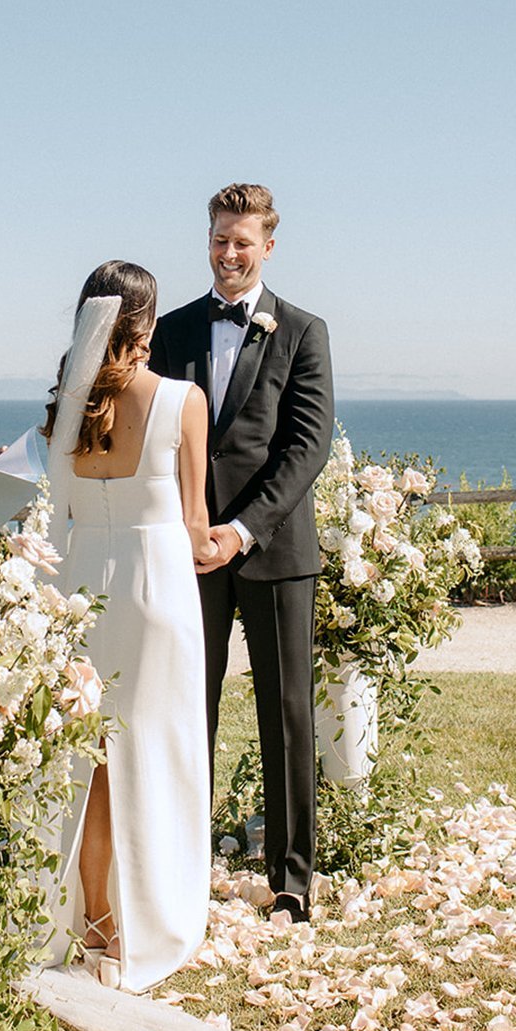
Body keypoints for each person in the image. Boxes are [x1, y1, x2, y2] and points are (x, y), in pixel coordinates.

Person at [151, 184, 334, 922]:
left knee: (286, 714)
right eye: (218, 239)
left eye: (242, 242)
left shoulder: (303, 330)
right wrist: (194, 527)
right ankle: (178, 865)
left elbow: (305, 445)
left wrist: (242, 528)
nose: (228, 253)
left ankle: (291, 877)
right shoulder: (170, 329)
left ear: (268, 245)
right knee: (186, 707)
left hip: (275, 550)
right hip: (186, 551)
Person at [44, 262, 213, 992]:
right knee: (155, 749)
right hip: (156, 590)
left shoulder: (61, 411)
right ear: (144, 324)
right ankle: (144, 920)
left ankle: (89, 917)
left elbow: (51, 510)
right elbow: (196, 524)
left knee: (88, 757)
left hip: (79, 585)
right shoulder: (182, 400)